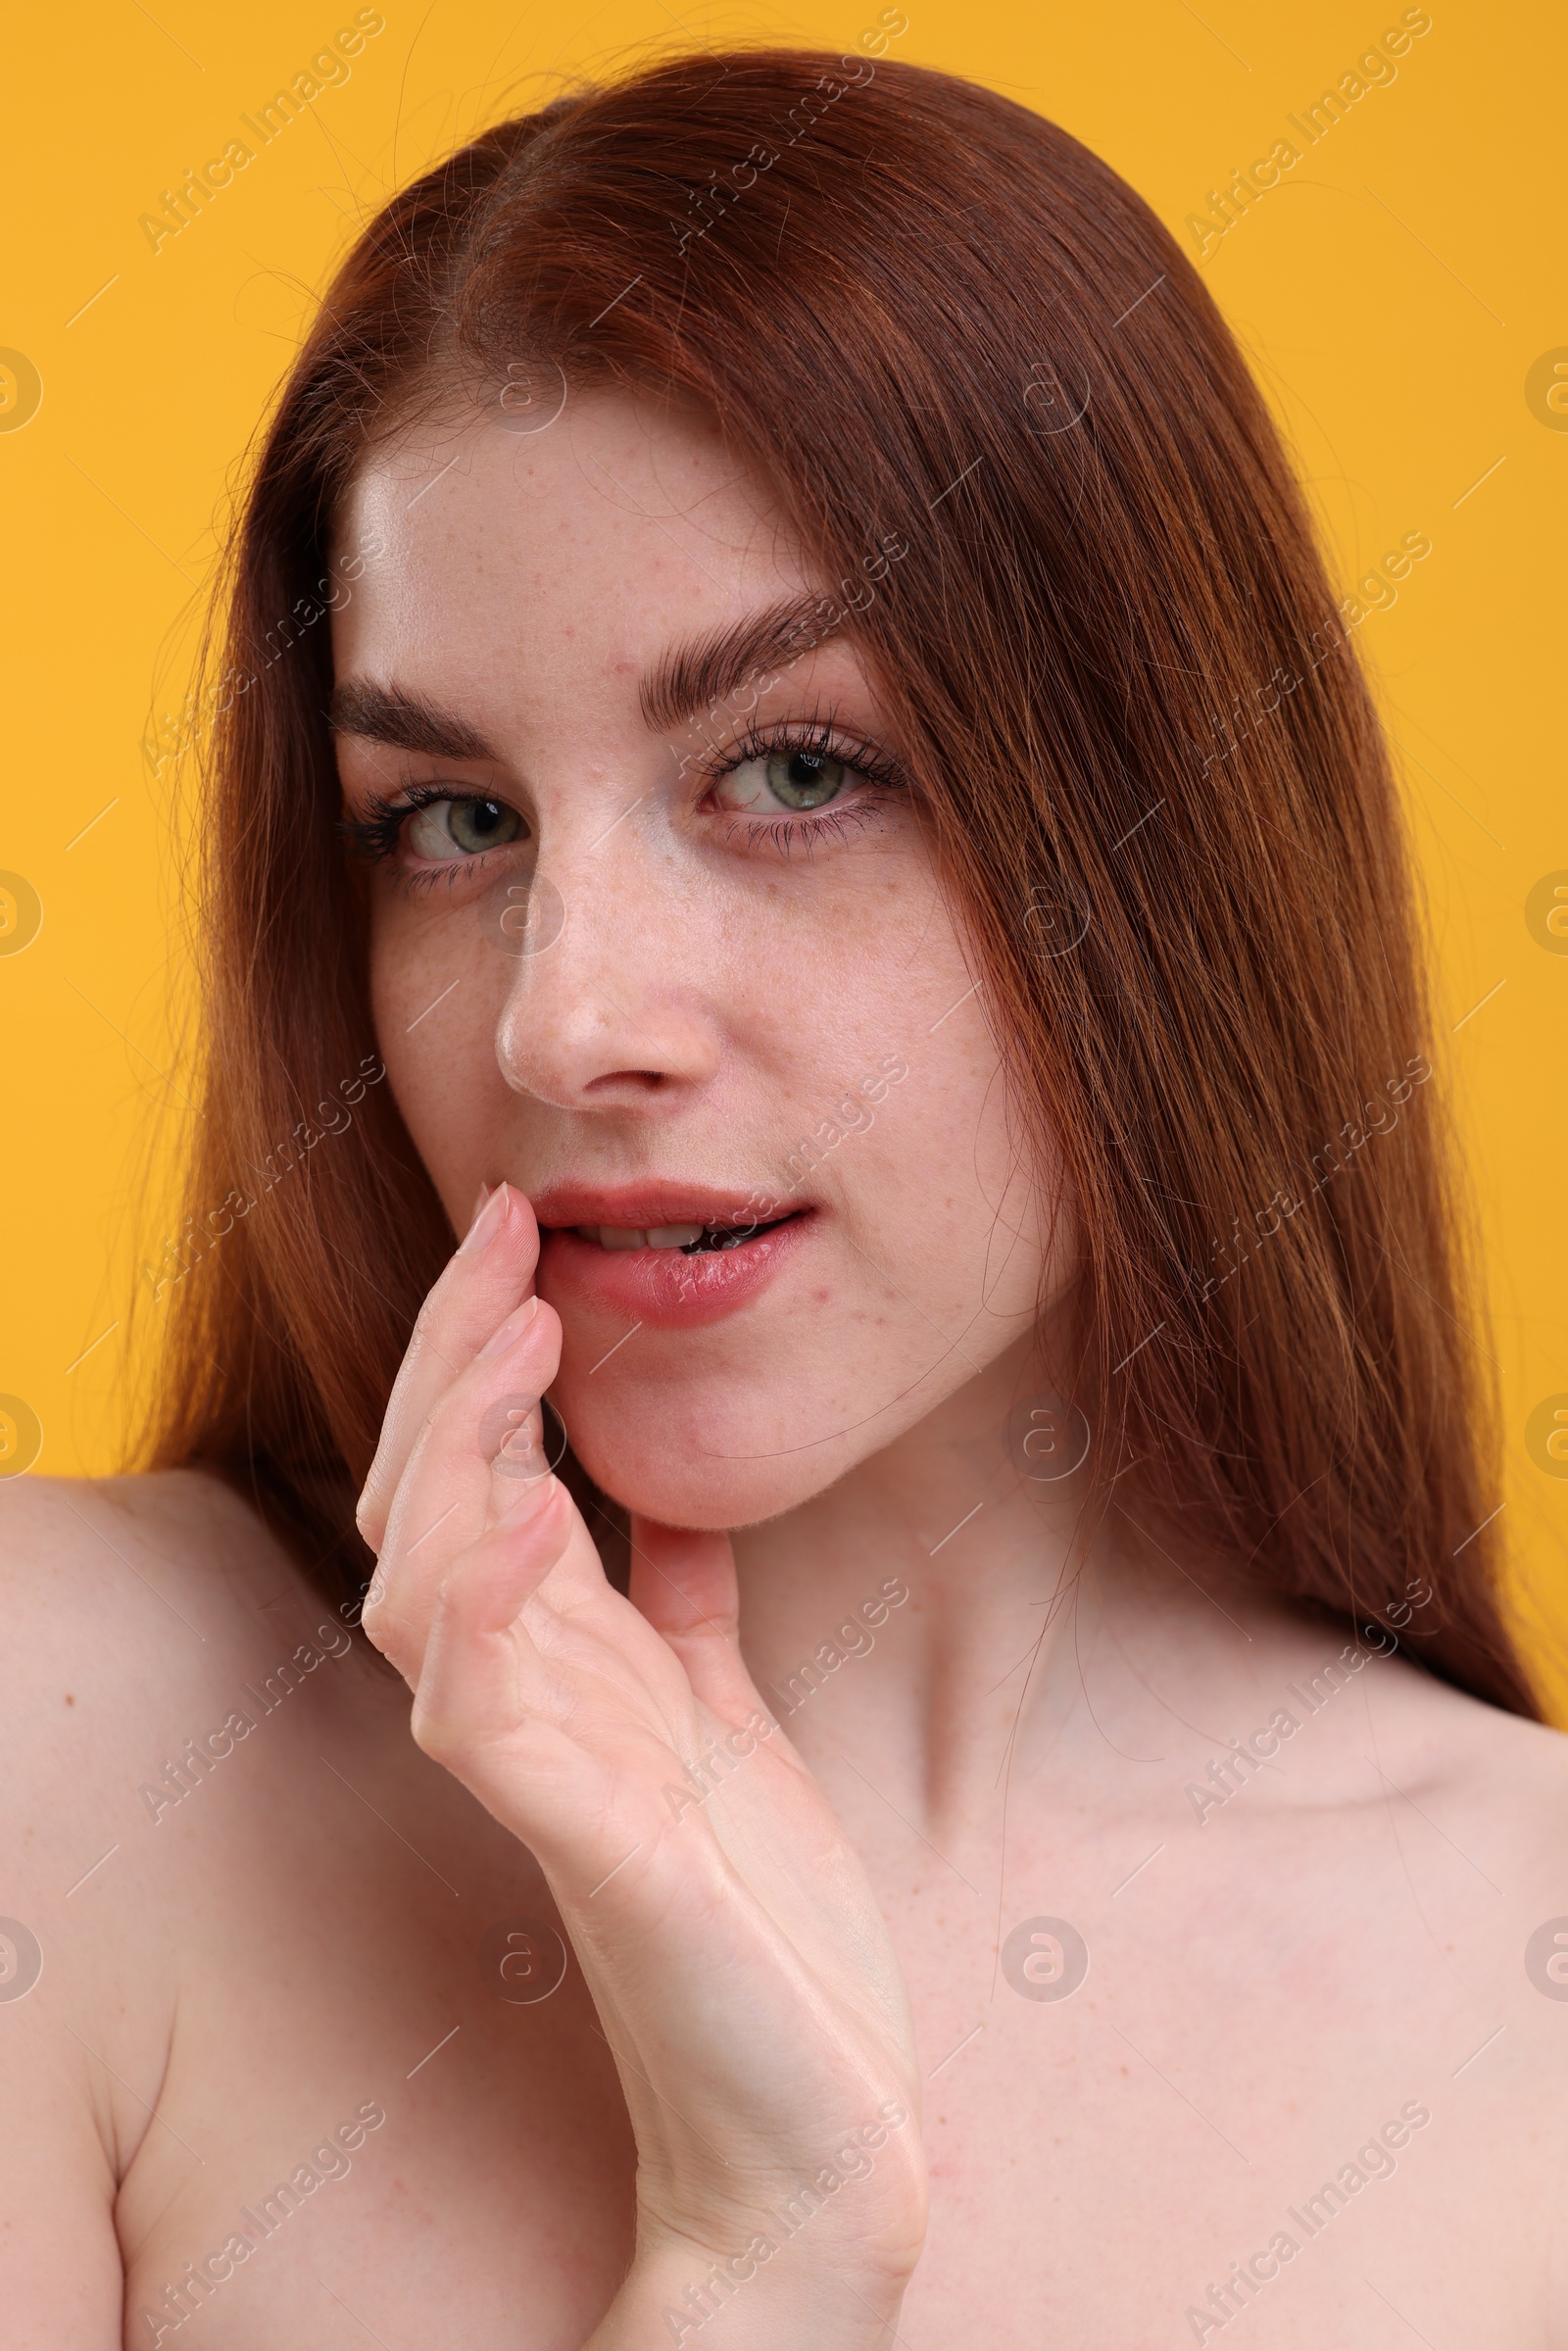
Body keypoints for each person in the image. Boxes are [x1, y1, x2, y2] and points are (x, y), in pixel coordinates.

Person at [4, 45, 1563, 2349]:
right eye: (450, 820)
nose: (562, 1026)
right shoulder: (73, 1739)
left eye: (793, 771)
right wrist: (755, 2256)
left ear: (1166, 840)